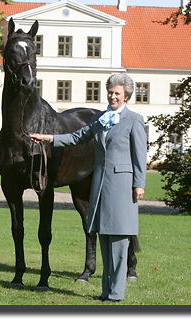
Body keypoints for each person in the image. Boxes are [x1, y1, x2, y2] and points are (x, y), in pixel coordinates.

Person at [30, 73, 147, 302]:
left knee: (120, 239)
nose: (113, 96)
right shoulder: (100, 118)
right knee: (103, 236)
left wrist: (139, 184)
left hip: (123, 185)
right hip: (100, 183)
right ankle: (106, 291)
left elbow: (139, 154)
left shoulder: (134, 119)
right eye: (110, 92)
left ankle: (116, 293)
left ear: (126, 96)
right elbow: (76, 137)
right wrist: (49, 138)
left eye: (117, 93)